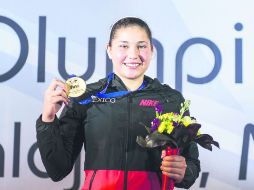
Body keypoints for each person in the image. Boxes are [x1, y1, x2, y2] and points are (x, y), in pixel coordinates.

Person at [36, 17, 200, 190]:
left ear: (151, 50)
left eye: (141, 46)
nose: (133, 54)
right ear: (109, 50)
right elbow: (57, 169)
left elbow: (191, 164)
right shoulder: (86, 98)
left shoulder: (171, 99)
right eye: (124, 45)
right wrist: (48, 118)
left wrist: (184, 172)